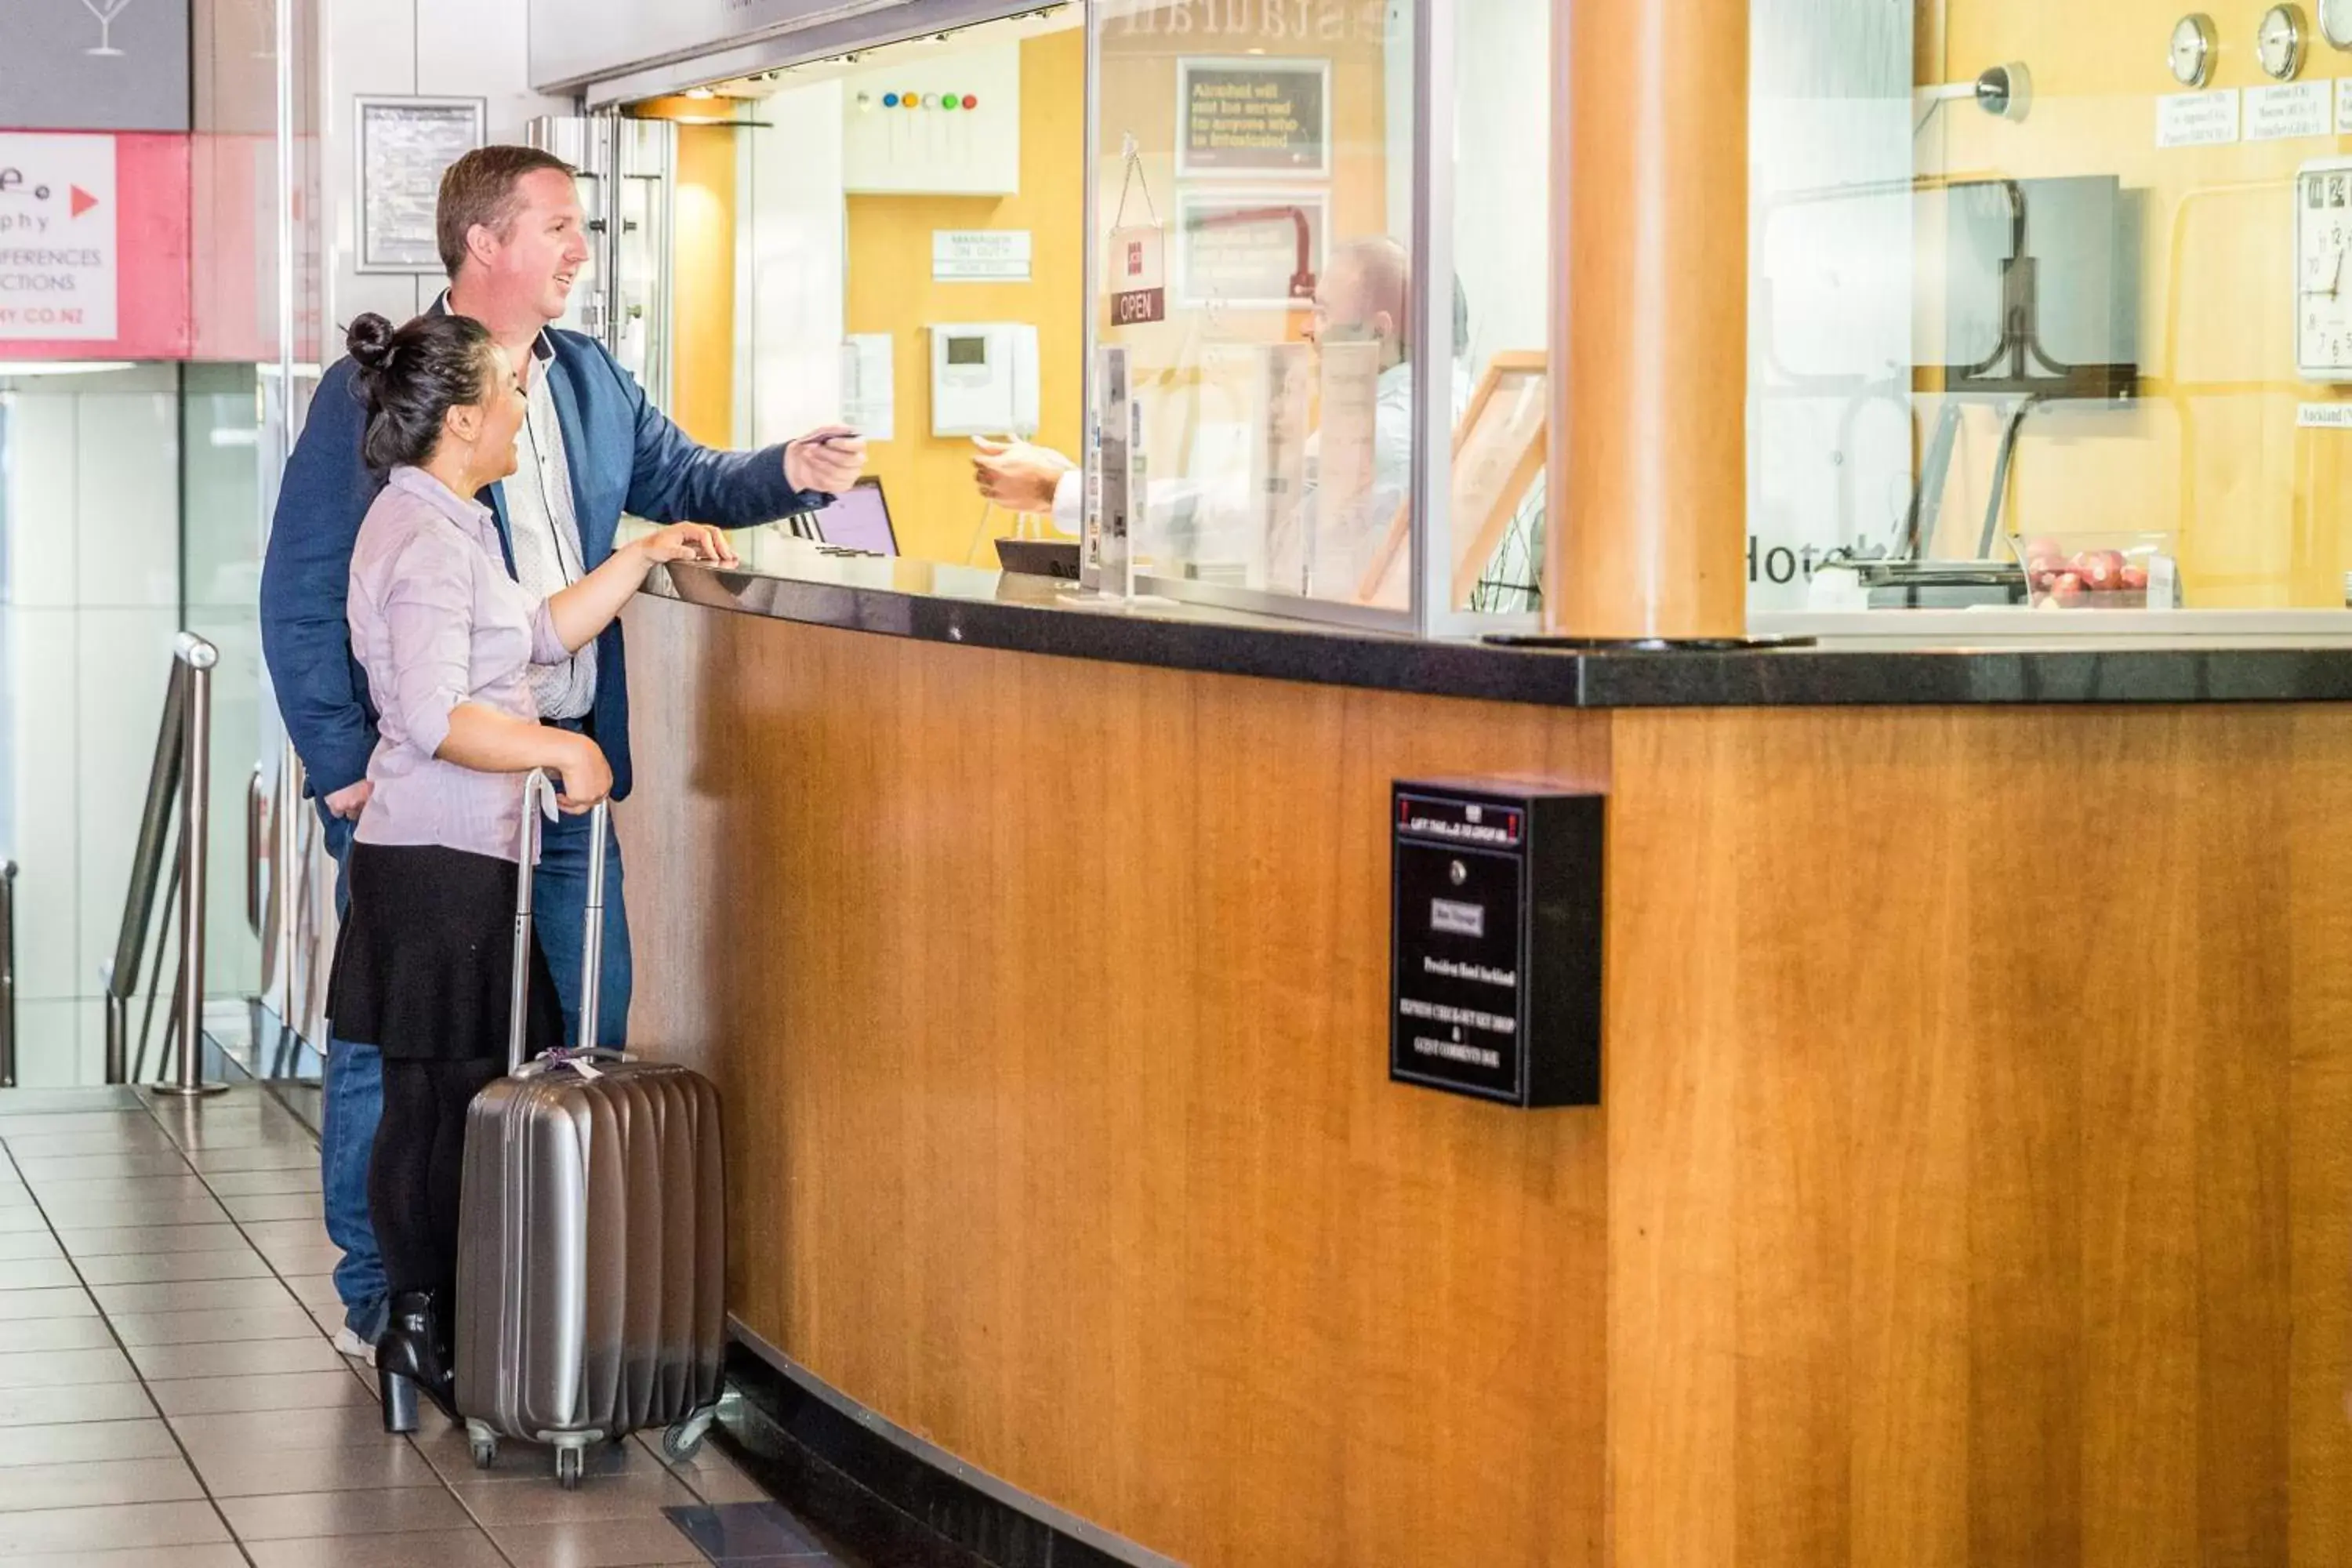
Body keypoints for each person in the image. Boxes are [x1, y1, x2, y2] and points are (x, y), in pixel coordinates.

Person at [260, 144, 866, 1364]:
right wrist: (338, 770)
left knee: (577, 1025)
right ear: (484, 243)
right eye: (558, 226)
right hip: (428, 793)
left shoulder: (584, 378)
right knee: (412, 1050)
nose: (581, 249)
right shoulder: (386, 393)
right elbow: (303, 588)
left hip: (558, 777)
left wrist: (783, 473)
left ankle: (534, 1278)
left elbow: (677, 475)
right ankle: (391, 1295)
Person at [325, 307, 735, 1428]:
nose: (523, 409)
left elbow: (539, 638)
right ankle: (419, 1328)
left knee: (452, 1096)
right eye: (508, 393)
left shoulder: (450, 522)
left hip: (461, 855)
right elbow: (432, 714)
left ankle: (437, 1327)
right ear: (463, 419)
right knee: (434, 1102)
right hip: (439, 859)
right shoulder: (420, 540)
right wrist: (563, 744)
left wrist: (639, 553)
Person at [972, 237, 1472, 597]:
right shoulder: (1434, 408)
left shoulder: (1385, 433)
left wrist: (1060, 490)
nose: (1306, 329)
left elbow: (1239, 515)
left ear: (1380, 331)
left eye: (1322, 311)